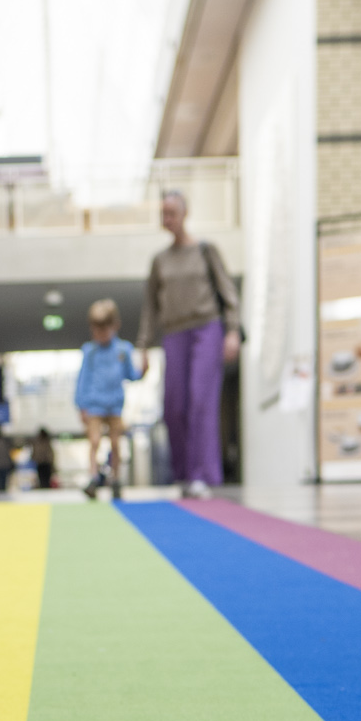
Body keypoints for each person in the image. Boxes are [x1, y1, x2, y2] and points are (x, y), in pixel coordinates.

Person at [138, 189, 240, 495]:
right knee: (173, 406)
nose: (167, 218)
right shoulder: (159, 260)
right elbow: (150, 306)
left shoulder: (206, 251)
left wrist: (232, 331)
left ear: (185, 213)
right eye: (163, 213)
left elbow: (228, 292)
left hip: (206, 329)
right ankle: (183, 475)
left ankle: (203, 475)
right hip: (173, 334)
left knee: (200, 401)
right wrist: (143, 346)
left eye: (171, 212)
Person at [74, 299, 141, 499]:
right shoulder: (90, 351)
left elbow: (131, 374)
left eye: (104, 329)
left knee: (115, 443)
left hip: (115, 405)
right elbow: (83, 379)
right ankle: (93, 477)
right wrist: (81, 405)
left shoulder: (123, 350)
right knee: (94, 441)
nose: (100, 334)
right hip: (94, 404)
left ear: (115, 326)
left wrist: (143, 371)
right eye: (96, 330)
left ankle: (116, 479)